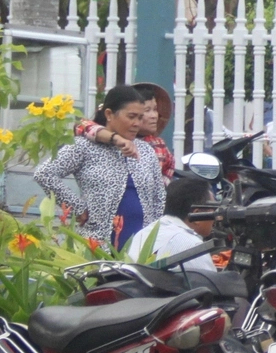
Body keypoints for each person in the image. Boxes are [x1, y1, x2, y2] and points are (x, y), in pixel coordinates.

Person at [36, 85, 167, 248]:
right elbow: (44, 174)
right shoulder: (84, 146)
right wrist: (77, 207)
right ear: (109, 114)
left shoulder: (146, 150)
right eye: (131, 116)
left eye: (140, 118)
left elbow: (159, 198)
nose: (136, 123)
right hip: (97, 246)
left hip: (141, 249)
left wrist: (155, 241)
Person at [75, 82, 177, 179]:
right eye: (147, 110)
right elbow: (82, 125)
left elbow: (168, 169)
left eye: (155, 109)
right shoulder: (88, 144)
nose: (154, 116)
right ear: (109, 114)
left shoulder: (156, 145)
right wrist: (115, 139)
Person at [127, 175, 219, 272]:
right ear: (197, 215)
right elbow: (211, 285)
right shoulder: (192, 246)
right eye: (213, 210)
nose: (215, 216)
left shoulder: (143, 233)